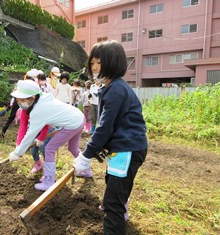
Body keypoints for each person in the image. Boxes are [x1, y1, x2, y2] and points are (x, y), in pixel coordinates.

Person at [73, 40, 148, 235]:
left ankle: (116, 216)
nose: (95, 67)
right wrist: (100, 147)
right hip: (125, 146)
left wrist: (86, 155)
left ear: (113, 63)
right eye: (93, 63)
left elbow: (105, 127)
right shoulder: (112, 87)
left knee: (111, 204)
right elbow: (114, 125)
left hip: (128, 148)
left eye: (100, 62)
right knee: (112, 182)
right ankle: (120, 206)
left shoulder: (115, 89)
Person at [9, 80, 87, 191]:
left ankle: (49, 181)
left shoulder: (38, 109)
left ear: (32, 98)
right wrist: (22, 146)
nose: (19, 103)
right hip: (79, 118)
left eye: (22, 100)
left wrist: (17, 153)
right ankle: (86, 170)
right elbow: (26, 129)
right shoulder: (41, 99)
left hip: (72, 124)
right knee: (72, 147)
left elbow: (30, 134)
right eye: (18, 100)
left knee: (49, 148)